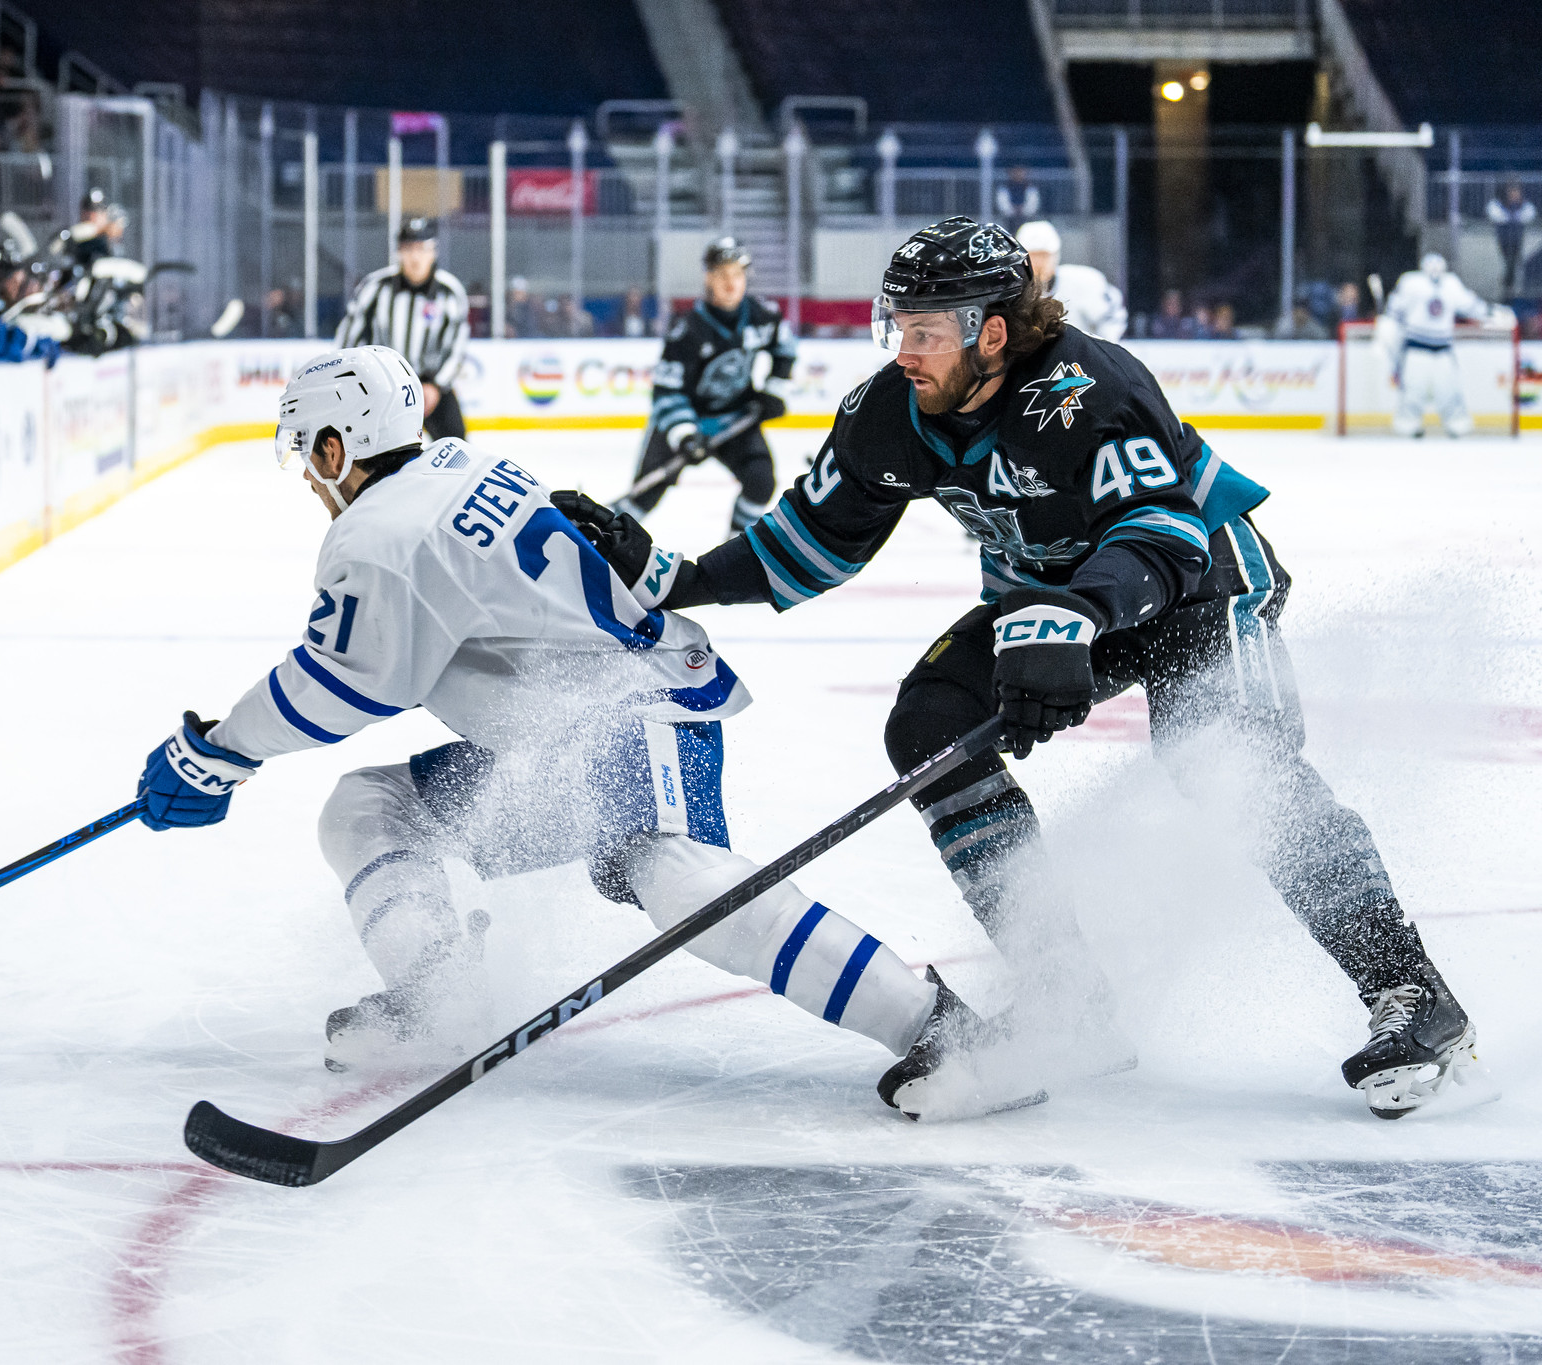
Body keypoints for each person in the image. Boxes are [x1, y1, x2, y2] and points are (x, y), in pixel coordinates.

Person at [555, 217, 1486, 1120]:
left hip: (1199, 587)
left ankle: (1413, 993)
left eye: (924, 330)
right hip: (1053, 601)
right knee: (927, 728)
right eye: (897, 325)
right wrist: (677, 576)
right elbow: (814, 537)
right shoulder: (895, 408)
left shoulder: (1089, 388)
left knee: (1226, 764)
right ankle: (1066, 996)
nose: (903, 349)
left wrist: (1073, 617)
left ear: (991, 332)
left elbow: (1164, 533)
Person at [132, 345, 1011, 1117]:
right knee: (368, 807)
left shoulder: (381, 529)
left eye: (312, 459)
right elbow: (398, 663)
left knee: (672, 873)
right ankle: (438, 995)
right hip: (559, 745)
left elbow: (345, 681)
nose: (313, 484)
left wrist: (216, 751)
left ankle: (938, 1026)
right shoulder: (457, 470)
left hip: (635, 704)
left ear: (336, 447)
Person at [616, 236, 798, 535]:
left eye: (738, 275)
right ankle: (603, 543)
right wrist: (686, 435)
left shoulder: (762, 315)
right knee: (644, 495)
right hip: (686, 422)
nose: (731, 283)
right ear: (708, 278)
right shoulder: (687, 331)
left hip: (735, 418)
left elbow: (785, 351)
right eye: (723, 275)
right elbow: (667, 392)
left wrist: (774, 391)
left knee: (760, 481)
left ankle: (736, 551)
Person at [335, 218, 471, 441]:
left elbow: (456, 347)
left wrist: (436, 385)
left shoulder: (450, 292)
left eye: (421, 248)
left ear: (433, 251)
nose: (415, 257)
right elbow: (350, 338)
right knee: (372, 450)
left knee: (457, 445)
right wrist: (362, 381)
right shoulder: (375, 288)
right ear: (398, 252)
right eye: (408, 249)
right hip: (382, 385)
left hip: (431, 386)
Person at [1380, 251, 1513, 438]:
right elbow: (1395, 309)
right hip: (1416, 347)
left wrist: (1491, 313)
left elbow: (1470, 305)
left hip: (1443, 348)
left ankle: (1456, 424)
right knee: (1413, 390)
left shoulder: (1451, 283)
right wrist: (1387, 325)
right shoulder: (1411, 282)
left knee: (1449, 389)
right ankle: (1407, 424)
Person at [1016, 220, 1126, 343]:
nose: (1038, 263)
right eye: (1033, 256)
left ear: (1055, 256)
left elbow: (1111, 318)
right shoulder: (1013, 292)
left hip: (1082, 358)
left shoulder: (1084, 282)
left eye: (1044, 255)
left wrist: (1105, 349)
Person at [1486, 181, 1535, 297]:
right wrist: (1511, 217)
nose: (1514, 195)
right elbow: (1496, 215)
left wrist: (1514, 217)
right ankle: (1508, 287)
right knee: (1509, 261)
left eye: (1516, 192)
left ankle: (1509, 287)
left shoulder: (1524, 205)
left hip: (1517, 240)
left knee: (1514, 261)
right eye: (1512, 192)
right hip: (1504, 240)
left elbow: (1529, 214)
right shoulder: (1499, 204)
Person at [995, 166, 1039, 235]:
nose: (1018, 174)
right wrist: (1012, 210)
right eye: (1015, 172)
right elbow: (1002, 202)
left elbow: (1033, 202)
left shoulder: (1030, 187)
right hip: (1009, 219)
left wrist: (1023, 210)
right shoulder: (1005, 187)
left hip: (1026, 218)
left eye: (1021, 172)